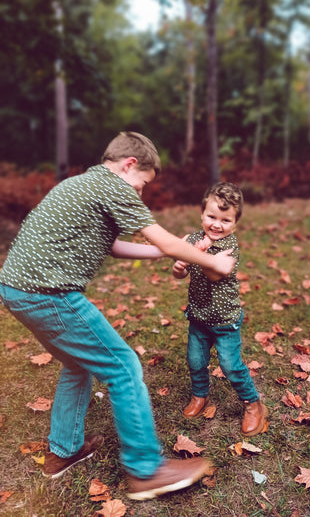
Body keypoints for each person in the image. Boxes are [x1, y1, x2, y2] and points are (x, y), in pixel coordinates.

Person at [0, 132, 237, 501]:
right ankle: (146, 471)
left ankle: (64, 451)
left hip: (16, 290)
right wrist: (212, 261)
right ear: (129, 165)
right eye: (142, 184)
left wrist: (159, 253)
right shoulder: (115, 187)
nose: (140, 193)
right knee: (124, 367)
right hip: (49, 294)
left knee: (78, 364)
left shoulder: (83, 183)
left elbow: (111, 245)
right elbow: (165, 238)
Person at [172, 182, 268, 437]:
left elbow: (214, 274)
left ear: (234, 224)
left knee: (230, 365)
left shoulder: (230, 247)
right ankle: (199, 395)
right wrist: (180, 267)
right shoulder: (192, 240)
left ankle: (253, 404)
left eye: (225, 220)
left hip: (225, 321)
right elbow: (179, 272)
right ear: (202, 214)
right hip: (199, 317)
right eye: (211, 216)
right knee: (195, 360)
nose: (216, 224)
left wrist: (197, 255)